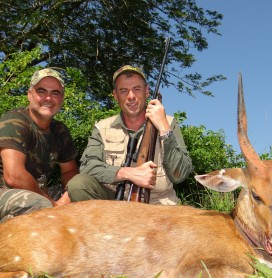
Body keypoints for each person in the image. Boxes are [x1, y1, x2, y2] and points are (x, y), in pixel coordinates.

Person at [67, 65, 193, 205]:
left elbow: (180, 174)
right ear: (115, 95)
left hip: (159, 205)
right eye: (124, 91)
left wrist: (163, 128)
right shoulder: (102, 127)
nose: (131, 96)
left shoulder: (168, 123)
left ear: (146, 91)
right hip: (112, 203)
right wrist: (128, 173)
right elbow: (87, 166)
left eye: (136, 89)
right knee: (78, 184)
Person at [0, 68, 79, 222]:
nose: (48, 98)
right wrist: (53, 204)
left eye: (55, 93)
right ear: (30, 95)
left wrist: (68, 195)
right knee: (39, 205)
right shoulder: (14, 121)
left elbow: (69, 171)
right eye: (41, 91)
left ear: (61, 99)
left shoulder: (60, 130)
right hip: (5, 191)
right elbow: (13, 176)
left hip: (39, 191)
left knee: (82, 193)